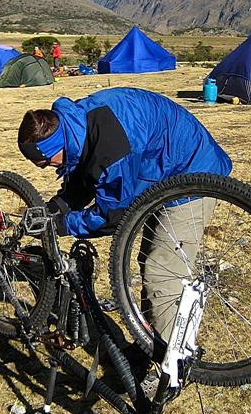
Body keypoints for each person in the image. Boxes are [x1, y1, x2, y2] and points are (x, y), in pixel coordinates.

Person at [17, 87, 232, 392]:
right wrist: (56, 208)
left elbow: (113, 216)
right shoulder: (75, 124)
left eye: (44, 162)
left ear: (55, 145)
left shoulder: (110, 148)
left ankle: (171, 370)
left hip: (191, 173)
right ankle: (149, 346)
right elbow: (84, 176)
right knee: (149, 261)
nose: (45, 168)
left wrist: (65, 224)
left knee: (161, 273)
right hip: (159, 171)